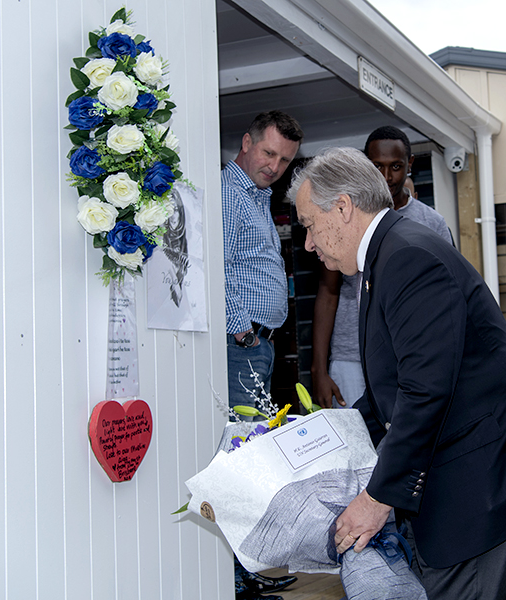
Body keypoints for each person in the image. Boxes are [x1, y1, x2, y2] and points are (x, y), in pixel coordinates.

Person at [289, 147, 506, 600]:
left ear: (343, 207)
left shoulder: (406, 256)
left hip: (485, 465)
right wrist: (325, 435)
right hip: (465, 456)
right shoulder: (386, 256)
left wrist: (375, 499)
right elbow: (398, 385)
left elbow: (425, 391)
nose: (308, 243)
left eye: (308, 224)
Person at [311, 126, 453, 409]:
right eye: (377, 167)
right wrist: (319, 370)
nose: (387, 177)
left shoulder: (431, 223)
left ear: (410, 165)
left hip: (410, 356)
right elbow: (328, 293)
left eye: (396, 167)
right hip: (351, 359)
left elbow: (446, 299)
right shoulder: (345, 217)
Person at [222, 110, 304, 600]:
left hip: (259, 349)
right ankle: (234, 577)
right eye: (269, 153)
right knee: (238, 458)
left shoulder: (257, 198)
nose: (275, 166)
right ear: (248, 142)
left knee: (251, 455)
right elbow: (212, 267)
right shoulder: (231, 195)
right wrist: (243, 332)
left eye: (285, 160)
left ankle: (242, 569)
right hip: (243, 349)